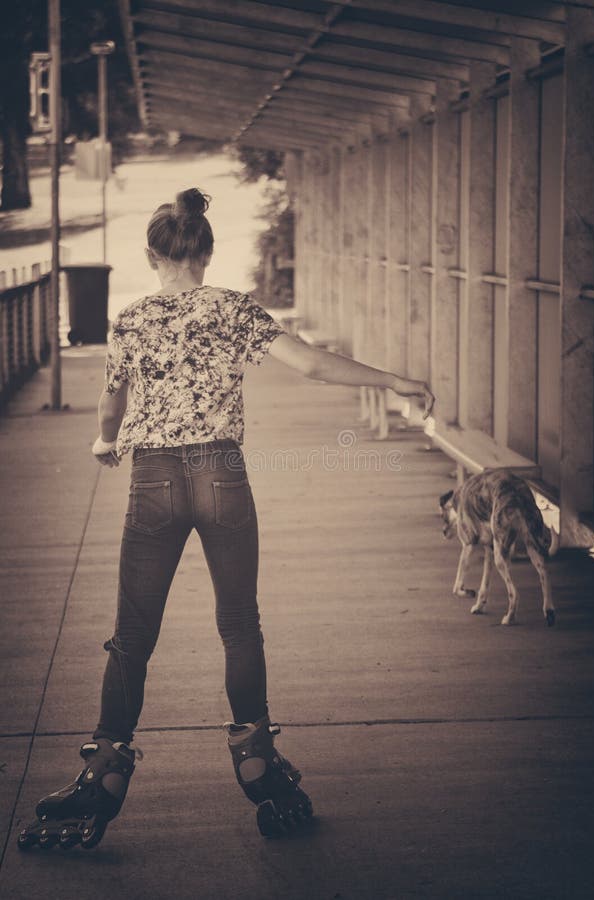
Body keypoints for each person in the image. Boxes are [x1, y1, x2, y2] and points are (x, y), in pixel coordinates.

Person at [18, 188, 434, 850]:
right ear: (207, 253)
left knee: (131, 637)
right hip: (221, 475)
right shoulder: (233, 310)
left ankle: (104, 770)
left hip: (151, 477)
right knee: (240, 625)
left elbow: (111, 399)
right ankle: (256, 756)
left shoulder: (132, 319)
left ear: (150, 254)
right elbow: (311, 363)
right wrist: (393, 380)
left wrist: (104, 442)